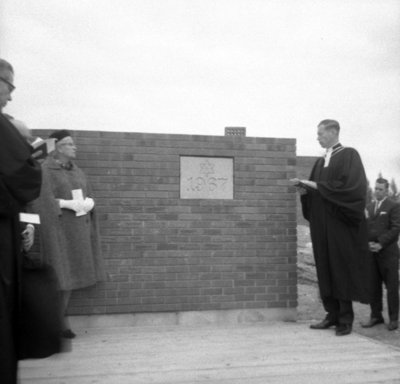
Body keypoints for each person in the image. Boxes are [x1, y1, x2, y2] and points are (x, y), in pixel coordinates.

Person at [291, 119, 369, 336]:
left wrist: (317, 186)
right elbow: (319, 191)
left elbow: (352, 189)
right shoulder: (319, 162)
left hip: (339, 225)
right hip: (321, 225)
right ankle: (331, 315)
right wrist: (305, 191)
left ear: (333, 132)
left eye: (320, 133)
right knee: (324, 268)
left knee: (340, 268)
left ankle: (345, 319)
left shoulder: (349, 155)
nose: (317, 137)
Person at [33, 129, 105, 338]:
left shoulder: (78, 171)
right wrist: (65, 203)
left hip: (77, 233)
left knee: (69, 278)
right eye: (69, 144)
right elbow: (40, 200)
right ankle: (55, 324)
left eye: (74, 144)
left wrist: (89, 202)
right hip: (58, 232)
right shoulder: (45, 170)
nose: (75, 147)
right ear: (57, 147)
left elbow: (87, 193)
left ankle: (61, 323)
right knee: (58, 278)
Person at [0, 58, 42, 383]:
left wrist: (27, 225)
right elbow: (26, 181)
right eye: (9, 86)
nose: (11, 96)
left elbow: (24, 197)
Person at [362, 178, 400, 331]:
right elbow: (365, 228)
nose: (377, 191)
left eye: (380, 189)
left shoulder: (394, 206)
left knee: (391, 287)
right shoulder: (369, 207)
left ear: (386, 190)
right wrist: (368, 243)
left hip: (388, 253)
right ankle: (376, 316)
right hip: (372, 254)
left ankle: (393, 319)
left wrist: (380, 243)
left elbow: (396, 228)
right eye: (376, 188)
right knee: (373, 286)